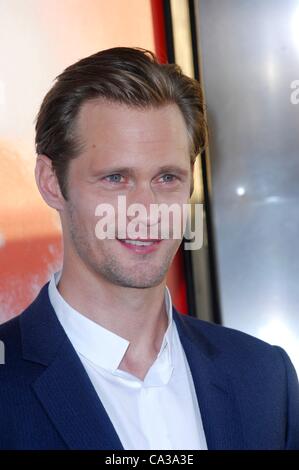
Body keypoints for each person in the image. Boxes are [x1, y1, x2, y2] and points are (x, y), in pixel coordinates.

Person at [0, 47, 298, 450]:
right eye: (116, 178)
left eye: (167, 178)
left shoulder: (265, 378)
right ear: (52, 182)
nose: (146, 211)